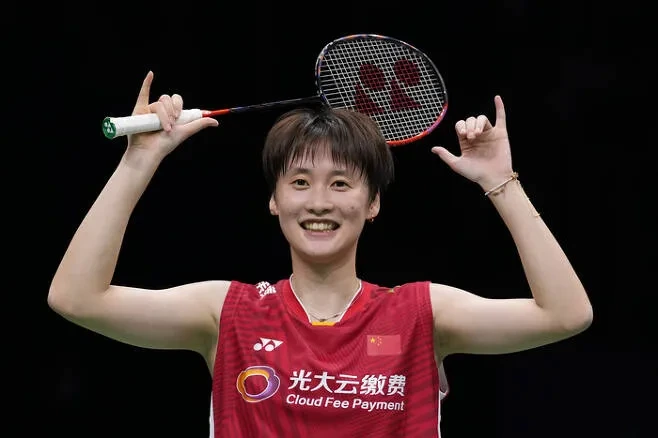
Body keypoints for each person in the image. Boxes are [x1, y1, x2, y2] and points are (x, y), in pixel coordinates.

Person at [48, 71, 593, 437]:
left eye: (341, 184)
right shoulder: (228, 313)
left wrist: (501, 182)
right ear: (274, 200)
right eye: (300, 182)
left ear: (372, 203)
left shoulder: (421, 315)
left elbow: (566, 315)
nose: (318, 203)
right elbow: (77, 298)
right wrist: (138, 162)